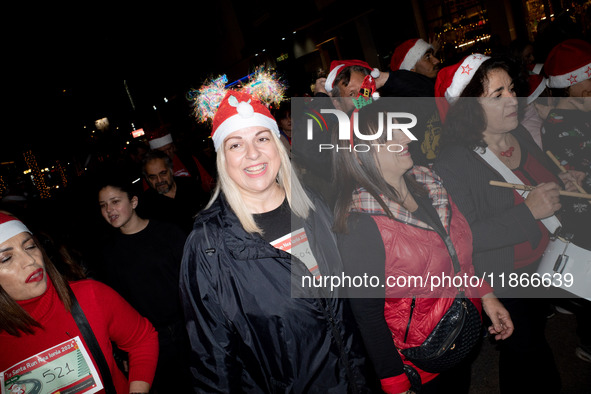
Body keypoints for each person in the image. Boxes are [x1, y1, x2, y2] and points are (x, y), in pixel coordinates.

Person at [180, 86, 371, 392]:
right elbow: (213, 363)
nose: (252, 153)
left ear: (278, 145)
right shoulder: (208, 246)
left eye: (262, 138)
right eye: (235, 145)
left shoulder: (313, 207)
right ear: (222, 159)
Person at [332, 99, 513, 394]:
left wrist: (486, 294)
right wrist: (394, 382)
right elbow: (368, 316)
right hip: (417, 362)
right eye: (392, 135)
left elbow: (457, 255)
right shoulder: (359, 225)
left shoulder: (431, 185)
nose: (408, 137)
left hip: (461, 333)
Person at [432, 55, 585, 393]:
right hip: (502, 279)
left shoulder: (519, 136)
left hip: (544, 264)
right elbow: (462, 238)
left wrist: (561, 180)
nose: (512, 99)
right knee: (533, 356)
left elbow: (538, 179)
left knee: (524, 350)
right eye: (496, 95)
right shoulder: (454, 162)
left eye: (512, 89)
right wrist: (528, 212)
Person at [0, 212, 158, 394]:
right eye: (6, 258)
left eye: (30, 246)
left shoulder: (90, 295)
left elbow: (142, 338)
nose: (30, 260)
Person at [97, 177, 193, 393]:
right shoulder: (108, 253)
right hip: (150, 344)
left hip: (189, 333)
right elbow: (116, 309)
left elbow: (196, 282)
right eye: (103, 205)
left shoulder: (169, 233)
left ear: (133, 202)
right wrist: (124, 353)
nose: (109, 210)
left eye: (115, 201)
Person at [139, 150, 209, 234]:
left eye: (163, 173)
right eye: (153, 177)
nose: (159, 180)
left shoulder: (191, 186)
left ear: (171, 170)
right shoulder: (147, 204)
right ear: (147, 179)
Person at [147, 129, 215, 193]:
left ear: (173, 146)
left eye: (169, 148)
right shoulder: (150, 170)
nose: (168, 153)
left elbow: (207, 182)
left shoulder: (188, 159)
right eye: (163, 151)